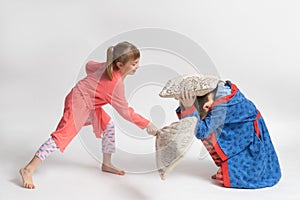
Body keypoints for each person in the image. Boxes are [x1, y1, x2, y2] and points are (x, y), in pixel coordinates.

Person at [19, 41, 158, 189]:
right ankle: (28, 169)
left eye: (138, 62)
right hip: (78, 102)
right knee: (63, 135)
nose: (137, 66)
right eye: (134, 63)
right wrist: (147, 124)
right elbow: (125, 112)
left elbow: (89, 66)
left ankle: (107, 163)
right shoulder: (116, 85)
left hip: (89, 103)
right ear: (119, 65)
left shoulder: (107, 65)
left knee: (108, 125)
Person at [175, 80, 281, 189]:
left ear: (206, 107)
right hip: (246, 133)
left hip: (249, 139)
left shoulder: (222, 108)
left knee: (231, 176)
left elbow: (201, 132)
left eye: (205, 117)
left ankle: (239, 173)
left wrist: (189, 109)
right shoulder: (224, 93)